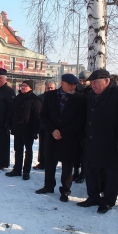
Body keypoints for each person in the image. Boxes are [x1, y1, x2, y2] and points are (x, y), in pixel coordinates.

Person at [77, 69, 118, 214]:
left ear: (107, 81)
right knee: (90, 170)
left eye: (96, 83)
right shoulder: (91, 95)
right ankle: (93, 197)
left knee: (113, 173)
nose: (93, 86)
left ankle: (108, 201)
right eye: (92, 83)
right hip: (92, 141)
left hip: (113, 143)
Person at [35, 74, 86, 202]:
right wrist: (52, 130)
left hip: (69, 137)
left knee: (67, 165)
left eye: (75, 84)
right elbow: (43, 115)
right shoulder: (51, 96)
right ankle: (48, 186)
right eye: (71, 84)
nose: (73, 87)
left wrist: (63, 132)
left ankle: (65, 190)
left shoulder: (79, 98)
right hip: (51, 136)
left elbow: (80, 120)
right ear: (62, 83)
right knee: (49, 162)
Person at [5, 80, 42, 180]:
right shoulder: (17, 98)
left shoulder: (35, 100)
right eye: (22, 86)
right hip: (17, 129)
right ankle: (17, 169)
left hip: (28, 131)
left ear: (31, 88)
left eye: (26, 86)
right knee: (18, 150)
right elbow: (11, 113)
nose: (23, 87)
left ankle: (26, 171)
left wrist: (35, 132)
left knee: (28, 151)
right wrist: (9, 124)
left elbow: (37, 118)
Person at [72, 70, 93, 183]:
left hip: (86, 125)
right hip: (76, 124)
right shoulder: (76, 90)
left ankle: (83, 172)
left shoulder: (91, 92)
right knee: (75, 151)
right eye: (80, 80)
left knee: (84, 152)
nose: (82, 83)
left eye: (84, 81)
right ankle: (75, 171)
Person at [33, 80, 56, 170]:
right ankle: (42, 162)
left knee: (52, 147)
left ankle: (51, 163)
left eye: (51, 88)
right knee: (42, 146)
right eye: (48, 87)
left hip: (54, 127)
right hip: (43, 126)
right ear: (45, 88)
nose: (50, 89)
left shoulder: (58, 97)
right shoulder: (40, 98)